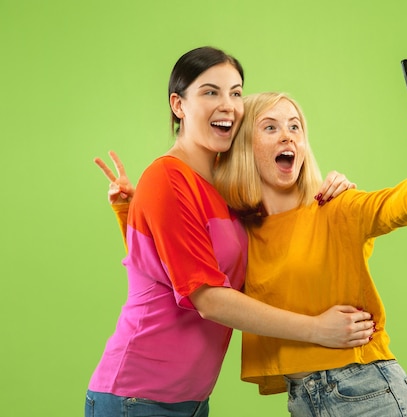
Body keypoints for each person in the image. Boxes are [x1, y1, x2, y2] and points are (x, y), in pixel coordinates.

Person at [86, 46, 374, 417]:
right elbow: (207, 298)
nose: (229, 105)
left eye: (236, 92)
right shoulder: (167, 178)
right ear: (179, 105)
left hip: (190, 401)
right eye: (211, 92)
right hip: (137, 398)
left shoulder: (228, 187)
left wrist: (330, 191)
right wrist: (318, 330)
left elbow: (166, 262)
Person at [211, 91, 407, 416]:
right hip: (302, 400)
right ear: (243, 146)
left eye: (295, 127)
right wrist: (129, 208)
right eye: (270, 128)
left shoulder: (334, 208)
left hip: (367, 391)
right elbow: (179, 267)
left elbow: (398, 205)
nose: (287, 137)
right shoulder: (240, 235)